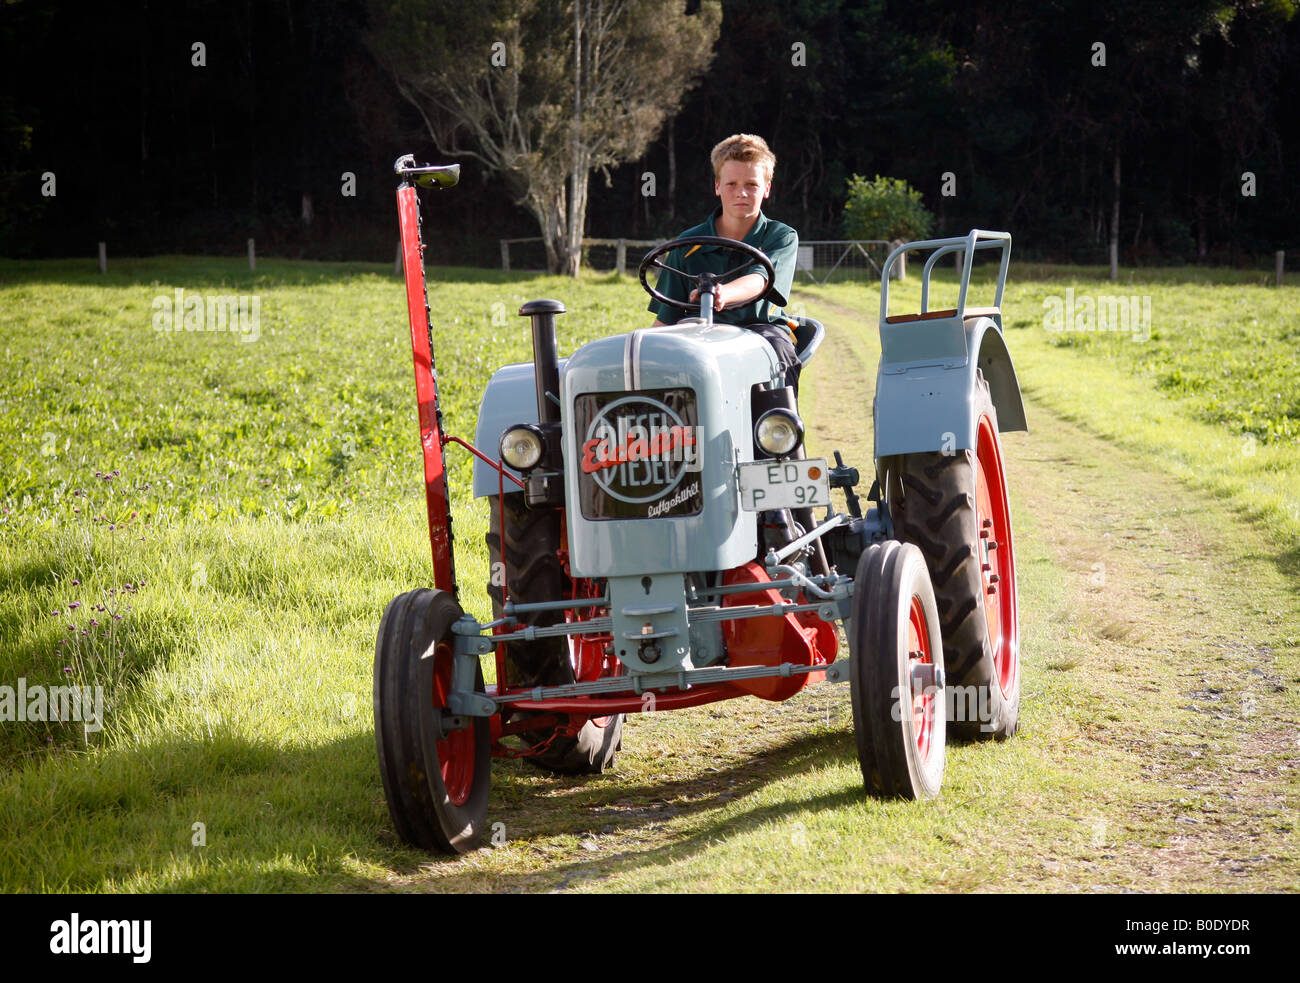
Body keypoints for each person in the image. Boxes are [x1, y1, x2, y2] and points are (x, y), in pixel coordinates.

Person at [648, 134, 802, 394]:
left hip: (760, 330)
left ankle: (778, 429)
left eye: (752, 184)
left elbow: (760, 277)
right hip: (698, 332)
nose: (741, 193)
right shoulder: (687, 244)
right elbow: (666, 318)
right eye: (731, 184)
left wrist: (722, 292)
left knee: (779, 351)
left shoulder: (781, 236)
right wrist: (640, 351)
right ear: (717, 186)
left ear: (767, 189)